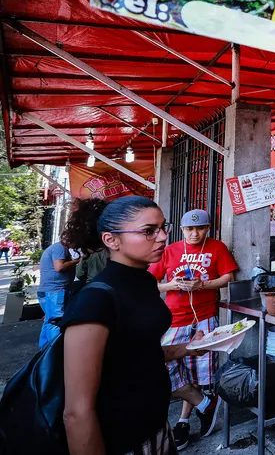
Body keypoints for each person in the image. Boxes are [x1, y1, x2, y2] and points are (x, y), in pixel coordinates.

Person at [60, 195, 210, 455]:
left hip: (157, 429)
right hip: (119, 440)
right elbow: (77, 411)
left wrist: (188, 347)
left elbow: (137, 352)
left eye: (163, 227)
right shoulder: (95, 300)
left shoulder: (146, 283)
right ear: (111, 240)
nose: (163, 237)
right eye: (149, 231)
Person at [149, 209, 237, 450]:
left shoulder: (217, 247)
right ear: (181, 230)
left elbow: (229, 276)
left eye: (200, 228)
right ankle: (204, 404)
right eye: (189, 229)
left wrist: (203, 284)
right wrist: (172, 284)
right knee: (162, 367)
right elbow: (150, 283)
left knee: (197, 374)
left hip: (204, 318)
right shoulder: (170, 250)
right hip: (174, 320)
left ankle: (183, 422)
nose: (194, 233)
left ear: (208, 228)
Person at [36, 239, 80, 348]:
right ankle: (55, 350)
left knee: (49, 321)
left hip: (48, 290)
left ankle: (45, 350)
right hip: (55, 291)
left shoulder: (56, 247)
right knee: (56, 321)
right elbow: (59, 267)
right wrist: (76, 261)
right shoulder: (60, 248)